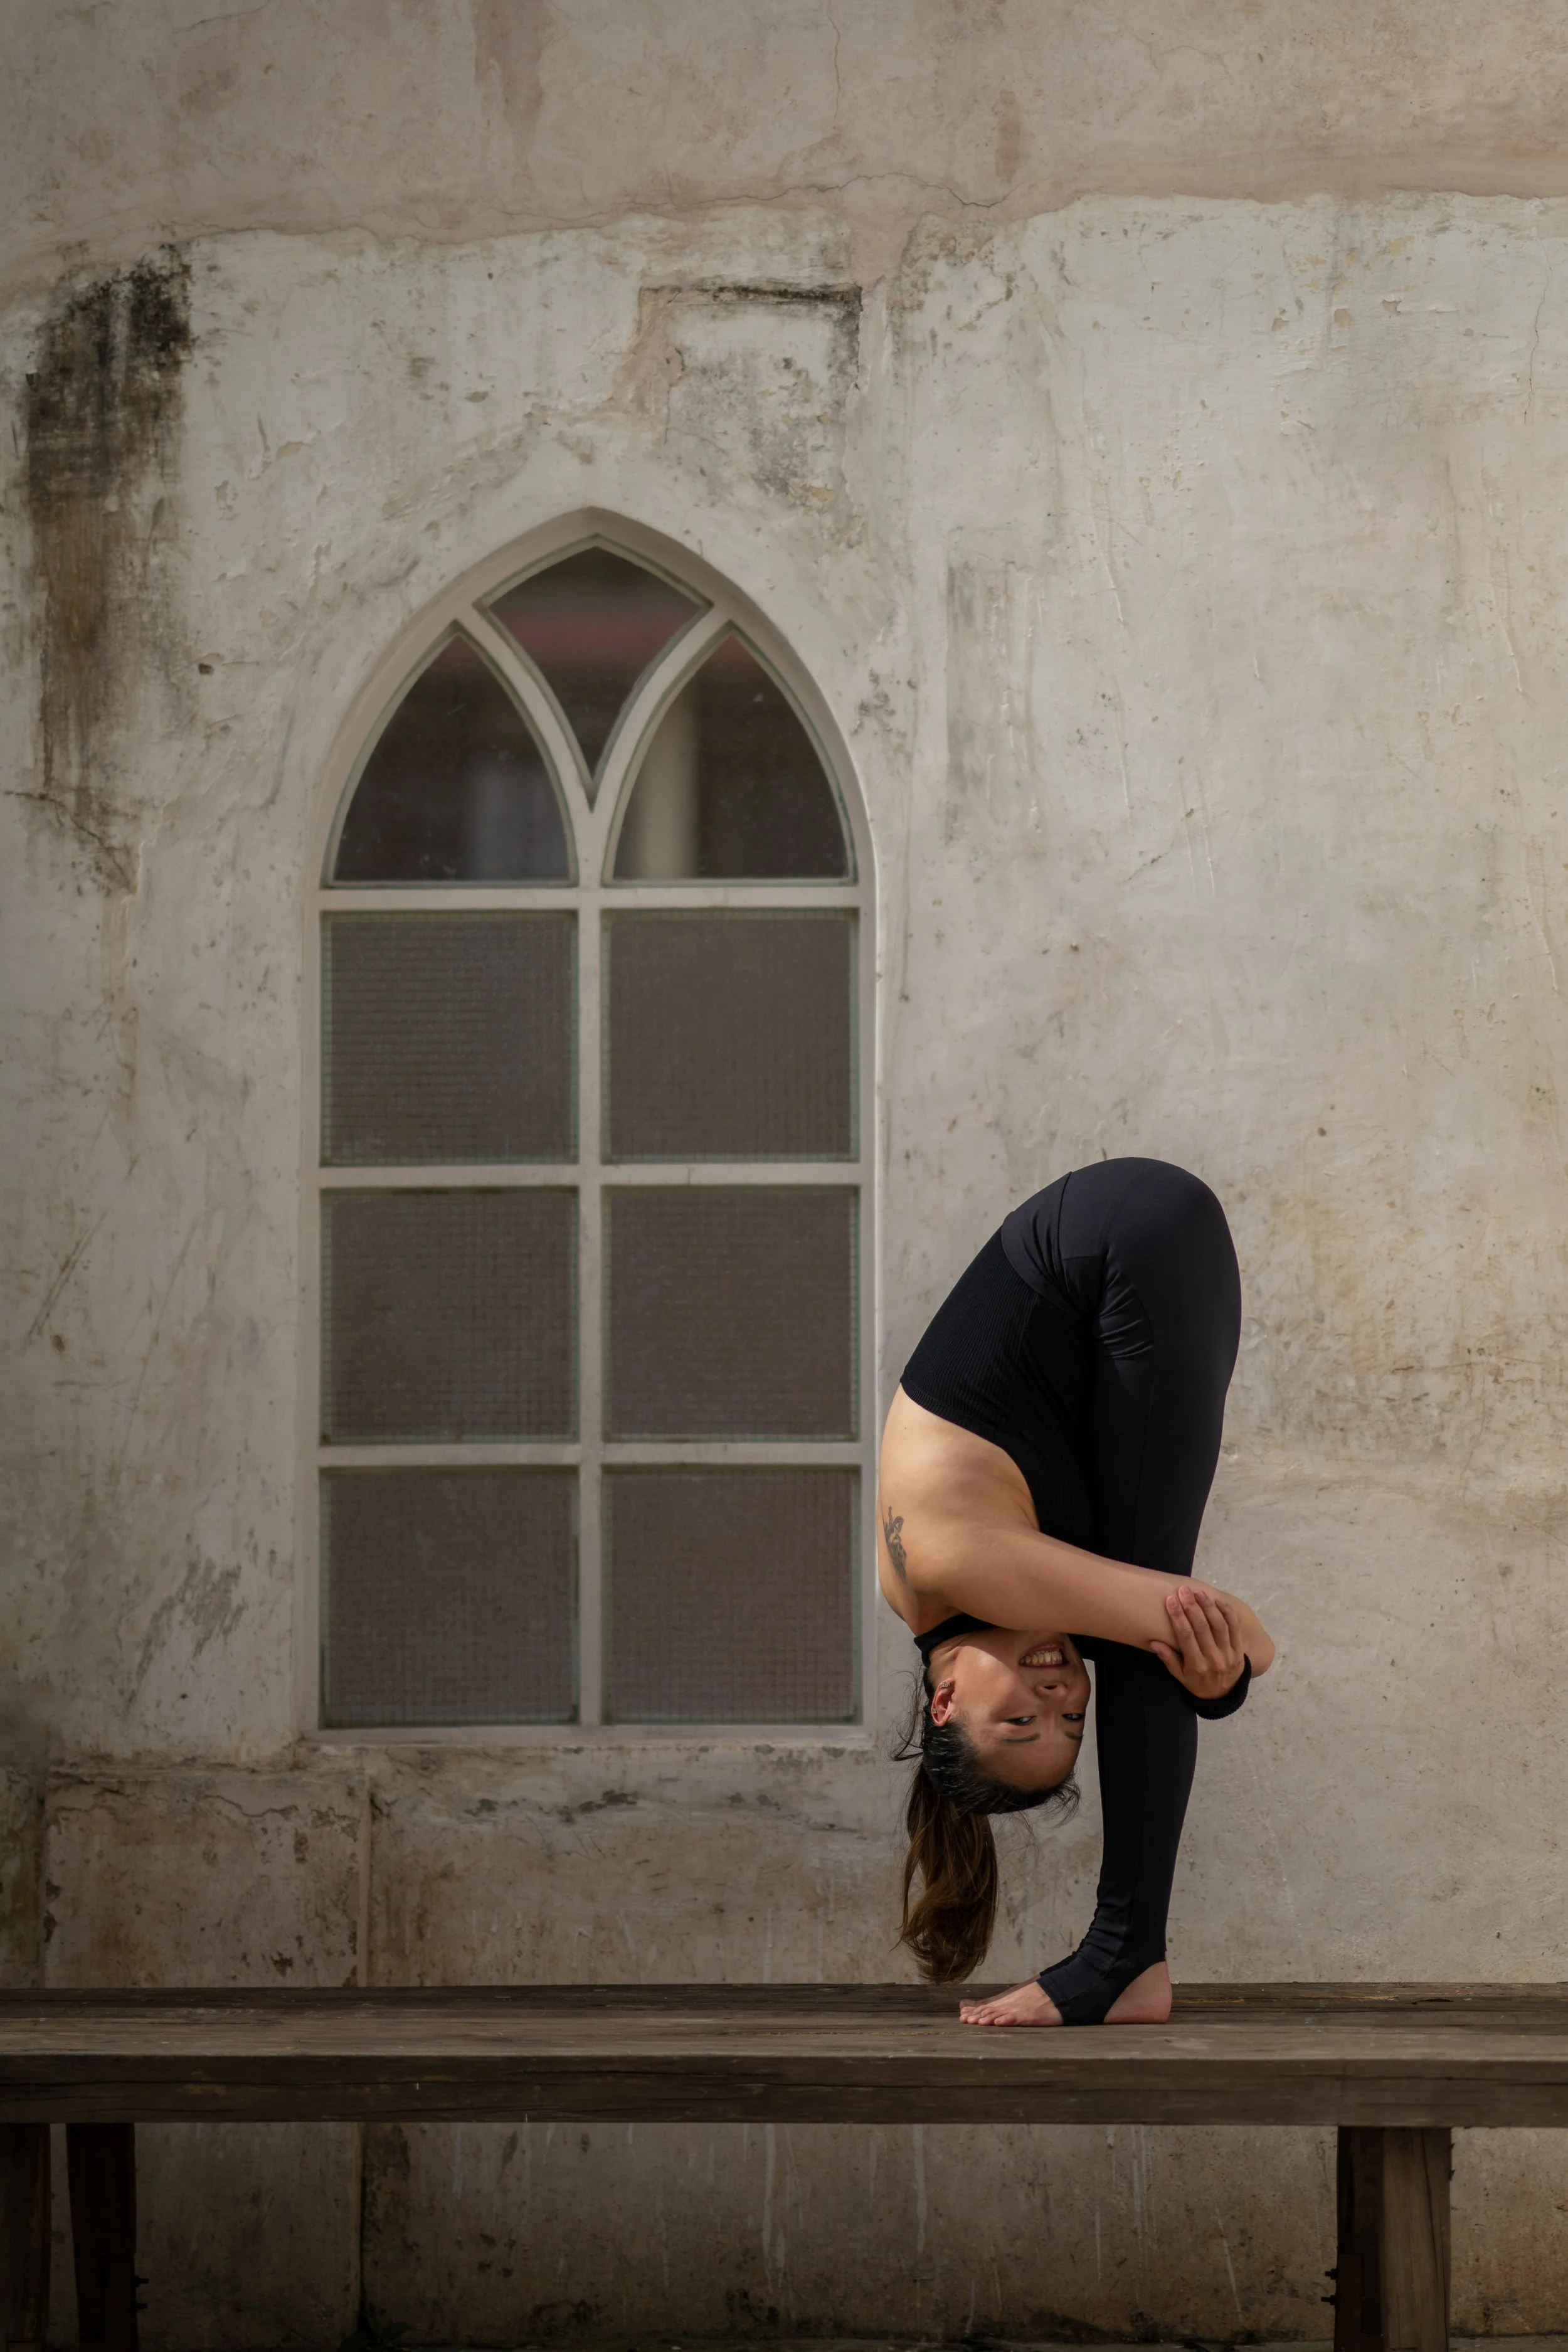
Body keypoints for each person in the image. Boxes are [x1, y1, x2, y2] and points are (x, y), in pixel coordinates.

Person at [878, 1157, 1274, 2028]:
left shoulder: (958, 1564)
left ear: (943, 1700)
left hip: (1124, 1246)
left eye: (1020, 1718)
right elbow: (1220, 1643)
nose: (1059, 1697)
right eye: (1069, 1723)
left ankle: (1124, 1954)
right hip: (1132, 1239)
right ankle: (1126, 1955)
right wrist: (1218, 1682)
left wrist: (1222, 1679)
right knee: (1152, 1632)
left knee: (1153, 1635)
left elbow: (1241, 1631)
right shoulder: (947, 1606)